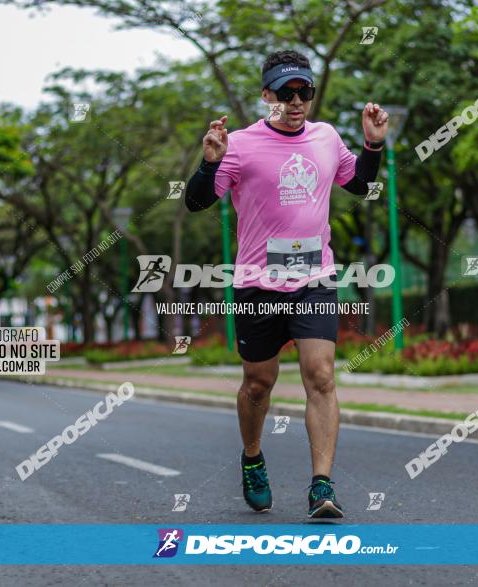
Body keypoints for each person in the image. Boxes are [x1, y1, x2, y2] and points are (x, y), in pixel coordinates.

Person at [184, 50, 387, 518]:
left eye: (304, 93)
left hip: (314, 277)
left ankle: (322, 486)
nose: (296, 102)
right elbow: (196, 202)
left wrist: (373, 146)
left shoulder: (326, 137)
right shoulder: (238, 145)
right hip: (257, 283)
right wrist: (209, 163)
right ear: (266, 96)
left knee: (321, 376)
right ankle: (253, 457)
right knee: (259, 383)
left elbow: (359, 184)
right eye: (285, 93)